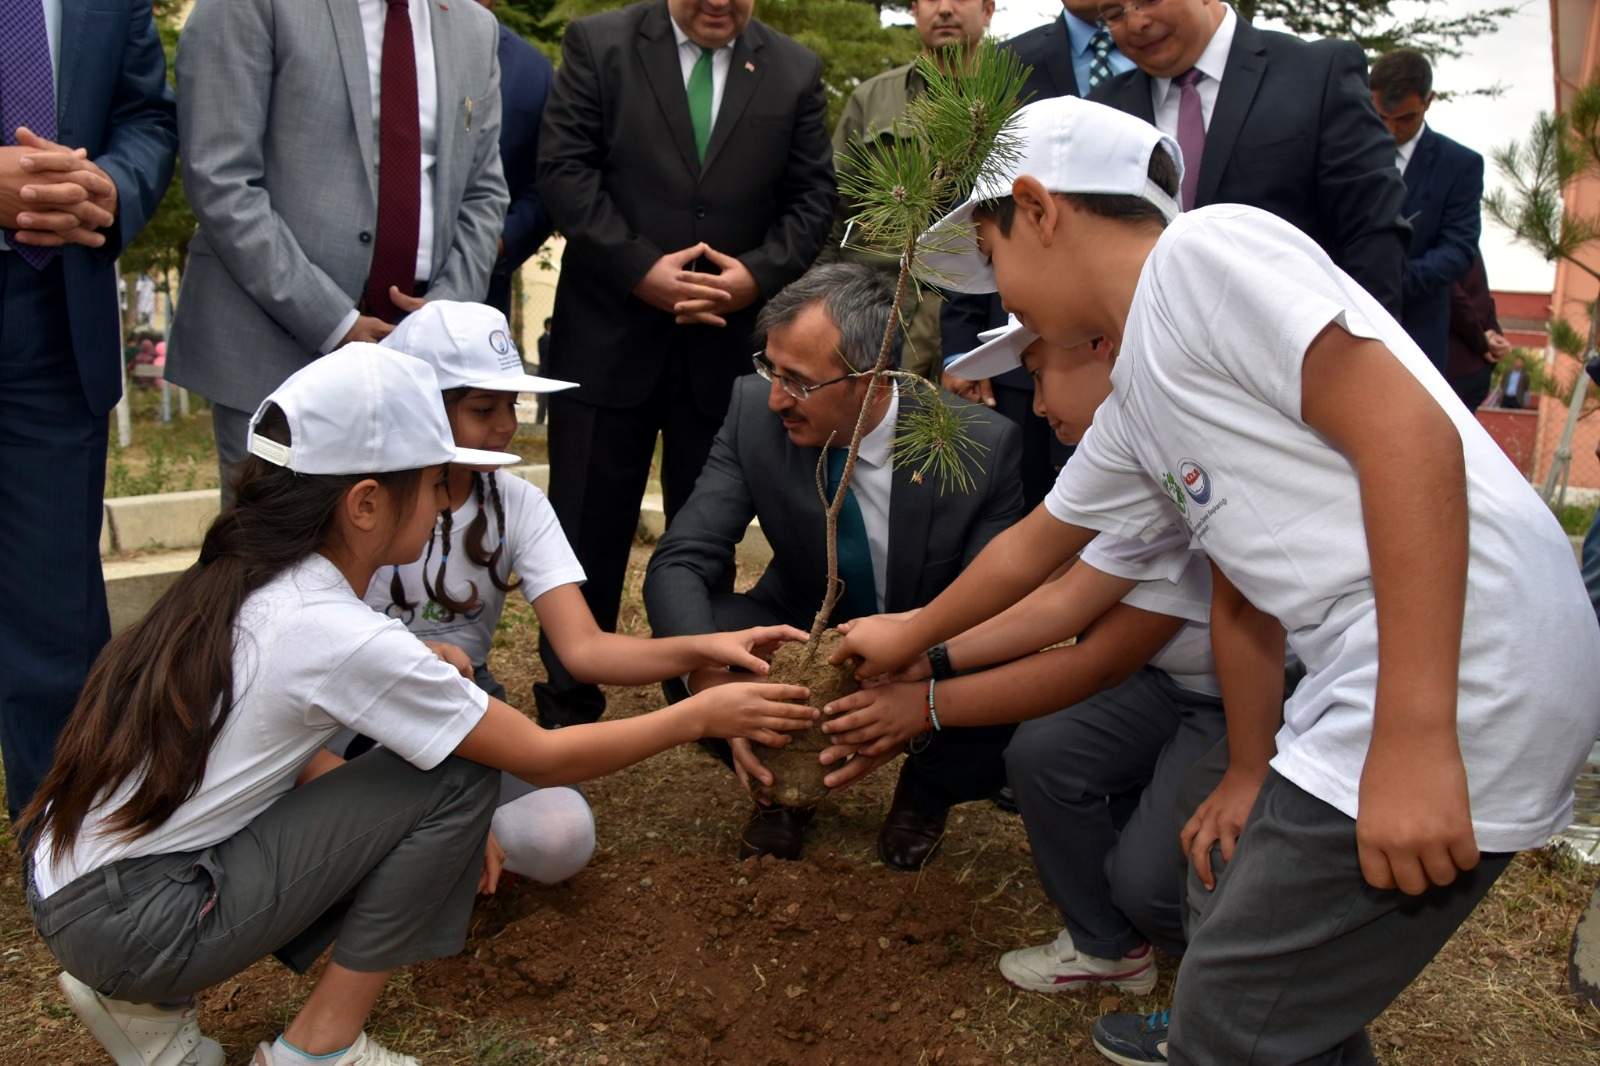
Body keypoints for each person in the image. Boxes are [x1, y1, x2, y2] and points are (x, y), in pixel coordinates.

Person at [842, 95, 1600, 1064]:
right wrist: (909, 637)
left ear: (1036, 208)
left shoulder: (1202, 257)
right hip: (1395, 672)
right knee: (1268, 1004)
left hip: (1456, 667)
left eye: (991, 259)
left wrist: (1413, 737)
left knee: (1230, 1021)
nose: (1000, 298)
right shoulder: (1141, 402)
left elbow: (1406, 434)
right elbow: (1036, 548)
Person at [21, 347, 813, 1066]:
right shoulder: (333, 630)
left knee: (430, 757)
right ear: (366, 504)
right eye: (436, 483)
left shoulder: (249, 579)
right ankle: (318, 1051)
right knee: (458, 776)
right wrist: (699, 718)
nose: (445, 504)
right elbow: (543, 757)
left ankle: (140, 1009)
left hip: (74, 885)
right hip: (137, 919)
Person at [822, 318, 1231, 993]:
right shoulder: (1121, 460)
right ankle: (1108, 945)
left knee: (1150, 884)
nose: (1035, 403)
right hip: (1169, 682)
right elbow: (1058, 597)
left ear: (1102, 348)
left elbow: (1093, 661)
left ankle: (1226, 970)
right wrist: (928, 654)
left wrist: (923, 700)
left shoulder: (1171, 456)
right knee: (1043, 753)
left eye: (1039, 374)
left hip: (1240, 703)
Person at [365, 300, 810, 880]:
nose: (506, 425)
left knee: (562, 835)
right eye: (483, 408)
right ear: (417, 407)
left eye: (512, 404)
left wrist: (706, 649)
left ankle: (431, 841)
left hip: (463, 708)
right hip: (360, 717)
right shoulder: (361, 500)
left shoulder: (514, 501)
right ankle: (423, 839)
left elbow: (585, 649)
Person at [643, 262, 1023, 868]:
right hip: (801, 629)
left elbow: (999, 605)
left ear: (871, 382)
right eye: (769, 367)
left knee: (1009, 660)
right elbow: (682, 559)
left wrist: (918, 663)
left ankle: (927, 791)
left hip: (928, 641)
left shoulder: (977, 445)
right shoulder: (752, 414)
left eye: (797, 381)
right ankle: (781, 791)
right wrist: (713, 687)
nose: (774, 397)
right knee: (693, 638)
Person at [535, 0, 836, 729]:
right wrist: (641, 270)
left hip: (725, 352)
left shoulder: (794, 71)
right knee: (585, 528)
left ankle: (704, 692)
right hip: (607, 339)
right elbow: (564, 171)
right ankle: (569, 702)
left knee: (703, 537)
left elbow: (813, 197)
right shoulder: (598, 44)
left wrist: (755, 278)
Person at [166, 0, 511, 503]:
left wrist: (441, 318)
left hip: (414, 360)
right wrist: (334, 322)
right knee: (274, 566)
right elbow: (221, 178)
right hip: (274, 348)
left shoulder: (474, 28)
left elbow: (485, 192)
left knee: (398, 568)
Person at [0, 0, 177, 827]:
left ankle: (62, 849)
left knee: (57, 613)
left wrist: (112, 185)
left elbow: (146, 115)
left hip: (52, 322)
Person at [1089, 0, 1408, 316]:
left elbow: (1373, 233)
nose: (1135, 23)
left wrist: (1356, 351)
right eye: (1115, 14)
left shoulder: (1316, 74)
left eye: (1148, 0)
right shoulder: (1100, 112)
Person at [941, 0, 1133, 508]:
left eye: (989, 260)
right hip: (1022, 365)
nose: (996, 286)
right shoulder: (1006, 63)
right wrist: (963, 350)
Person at [829, 0, 995, 380]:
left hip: (977, 314)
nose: (946, 9)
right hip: (879, 307)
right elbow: (832, 209)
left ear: (988, 10)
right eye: (931, 0)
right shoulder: (872, 99)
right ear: (915, 11)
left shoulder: (1014, 100)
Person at [1370, 48, 1483, 373]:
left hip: (1416, 336)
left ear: (1428, 101)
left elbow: (1458, 250)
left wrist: (1392, 281)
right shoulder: (1344, 150)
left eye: (1405, 118)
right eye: (1381, 118)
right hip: (1343, 325)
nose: (1391, 130)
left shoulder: (1460, 165)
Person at [479, 0, 556, 316]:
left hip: (479, 298)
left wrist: (501, 242)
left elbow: (547, 184)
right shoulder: (374, 43)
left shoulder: (532, 72)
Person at [1447, 251, 1510, 410]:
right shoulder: (1458, 239)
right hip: (1466, 364)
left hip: (1457, 367)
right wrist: (1485, 338)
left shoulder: (1456, 240)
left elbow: (1462, 297)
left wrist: (1491, 336)